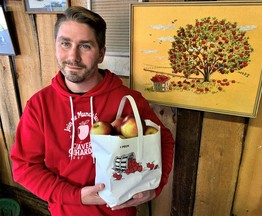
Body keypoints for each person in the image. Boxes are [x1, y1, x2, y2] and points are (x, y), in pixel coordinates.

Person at [10, 6, 174, 216]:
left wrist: (155, 188)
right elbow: (24, 167)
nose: (73, 56)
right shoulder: (39, 105)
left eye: (85, 46)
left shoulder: (127, 100)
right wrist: (74, 196)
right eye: (65, 43)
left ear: (101, 54)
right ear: (55, 46)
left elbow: (164, 140)